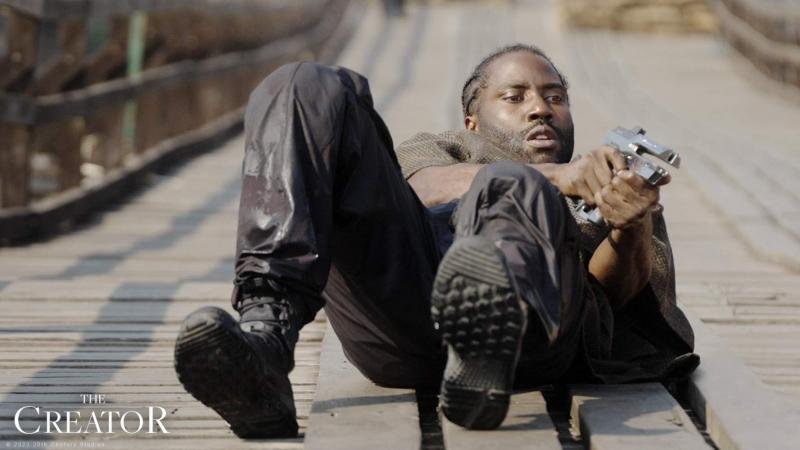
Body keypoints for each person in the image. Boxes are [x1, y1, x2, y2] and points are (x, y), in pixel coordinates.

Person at [173, 43, 699, 438]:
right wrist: (555, 177)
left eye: (555, 97)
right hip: (401, 319)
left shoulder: (613, 179)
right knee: (302, 82)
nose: (540, 108)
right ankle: (267, 339)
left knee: (516, 186)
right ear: (472, 123)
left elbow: (610, 300)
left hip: (531, 342)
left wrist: (630, 226)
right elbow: (423, 188)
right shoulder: (440, 148)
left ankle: (485, 347)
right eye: (514, 97)